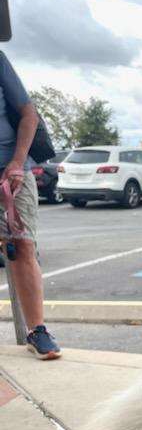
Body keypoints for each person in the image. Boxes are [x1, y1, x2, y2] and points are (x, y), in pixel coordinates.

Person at [0, 52, 61, 359]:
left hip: (11, 173)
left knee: (22, 246)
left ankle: (37, 331)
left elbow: (29, 114)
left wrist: (17, 162)